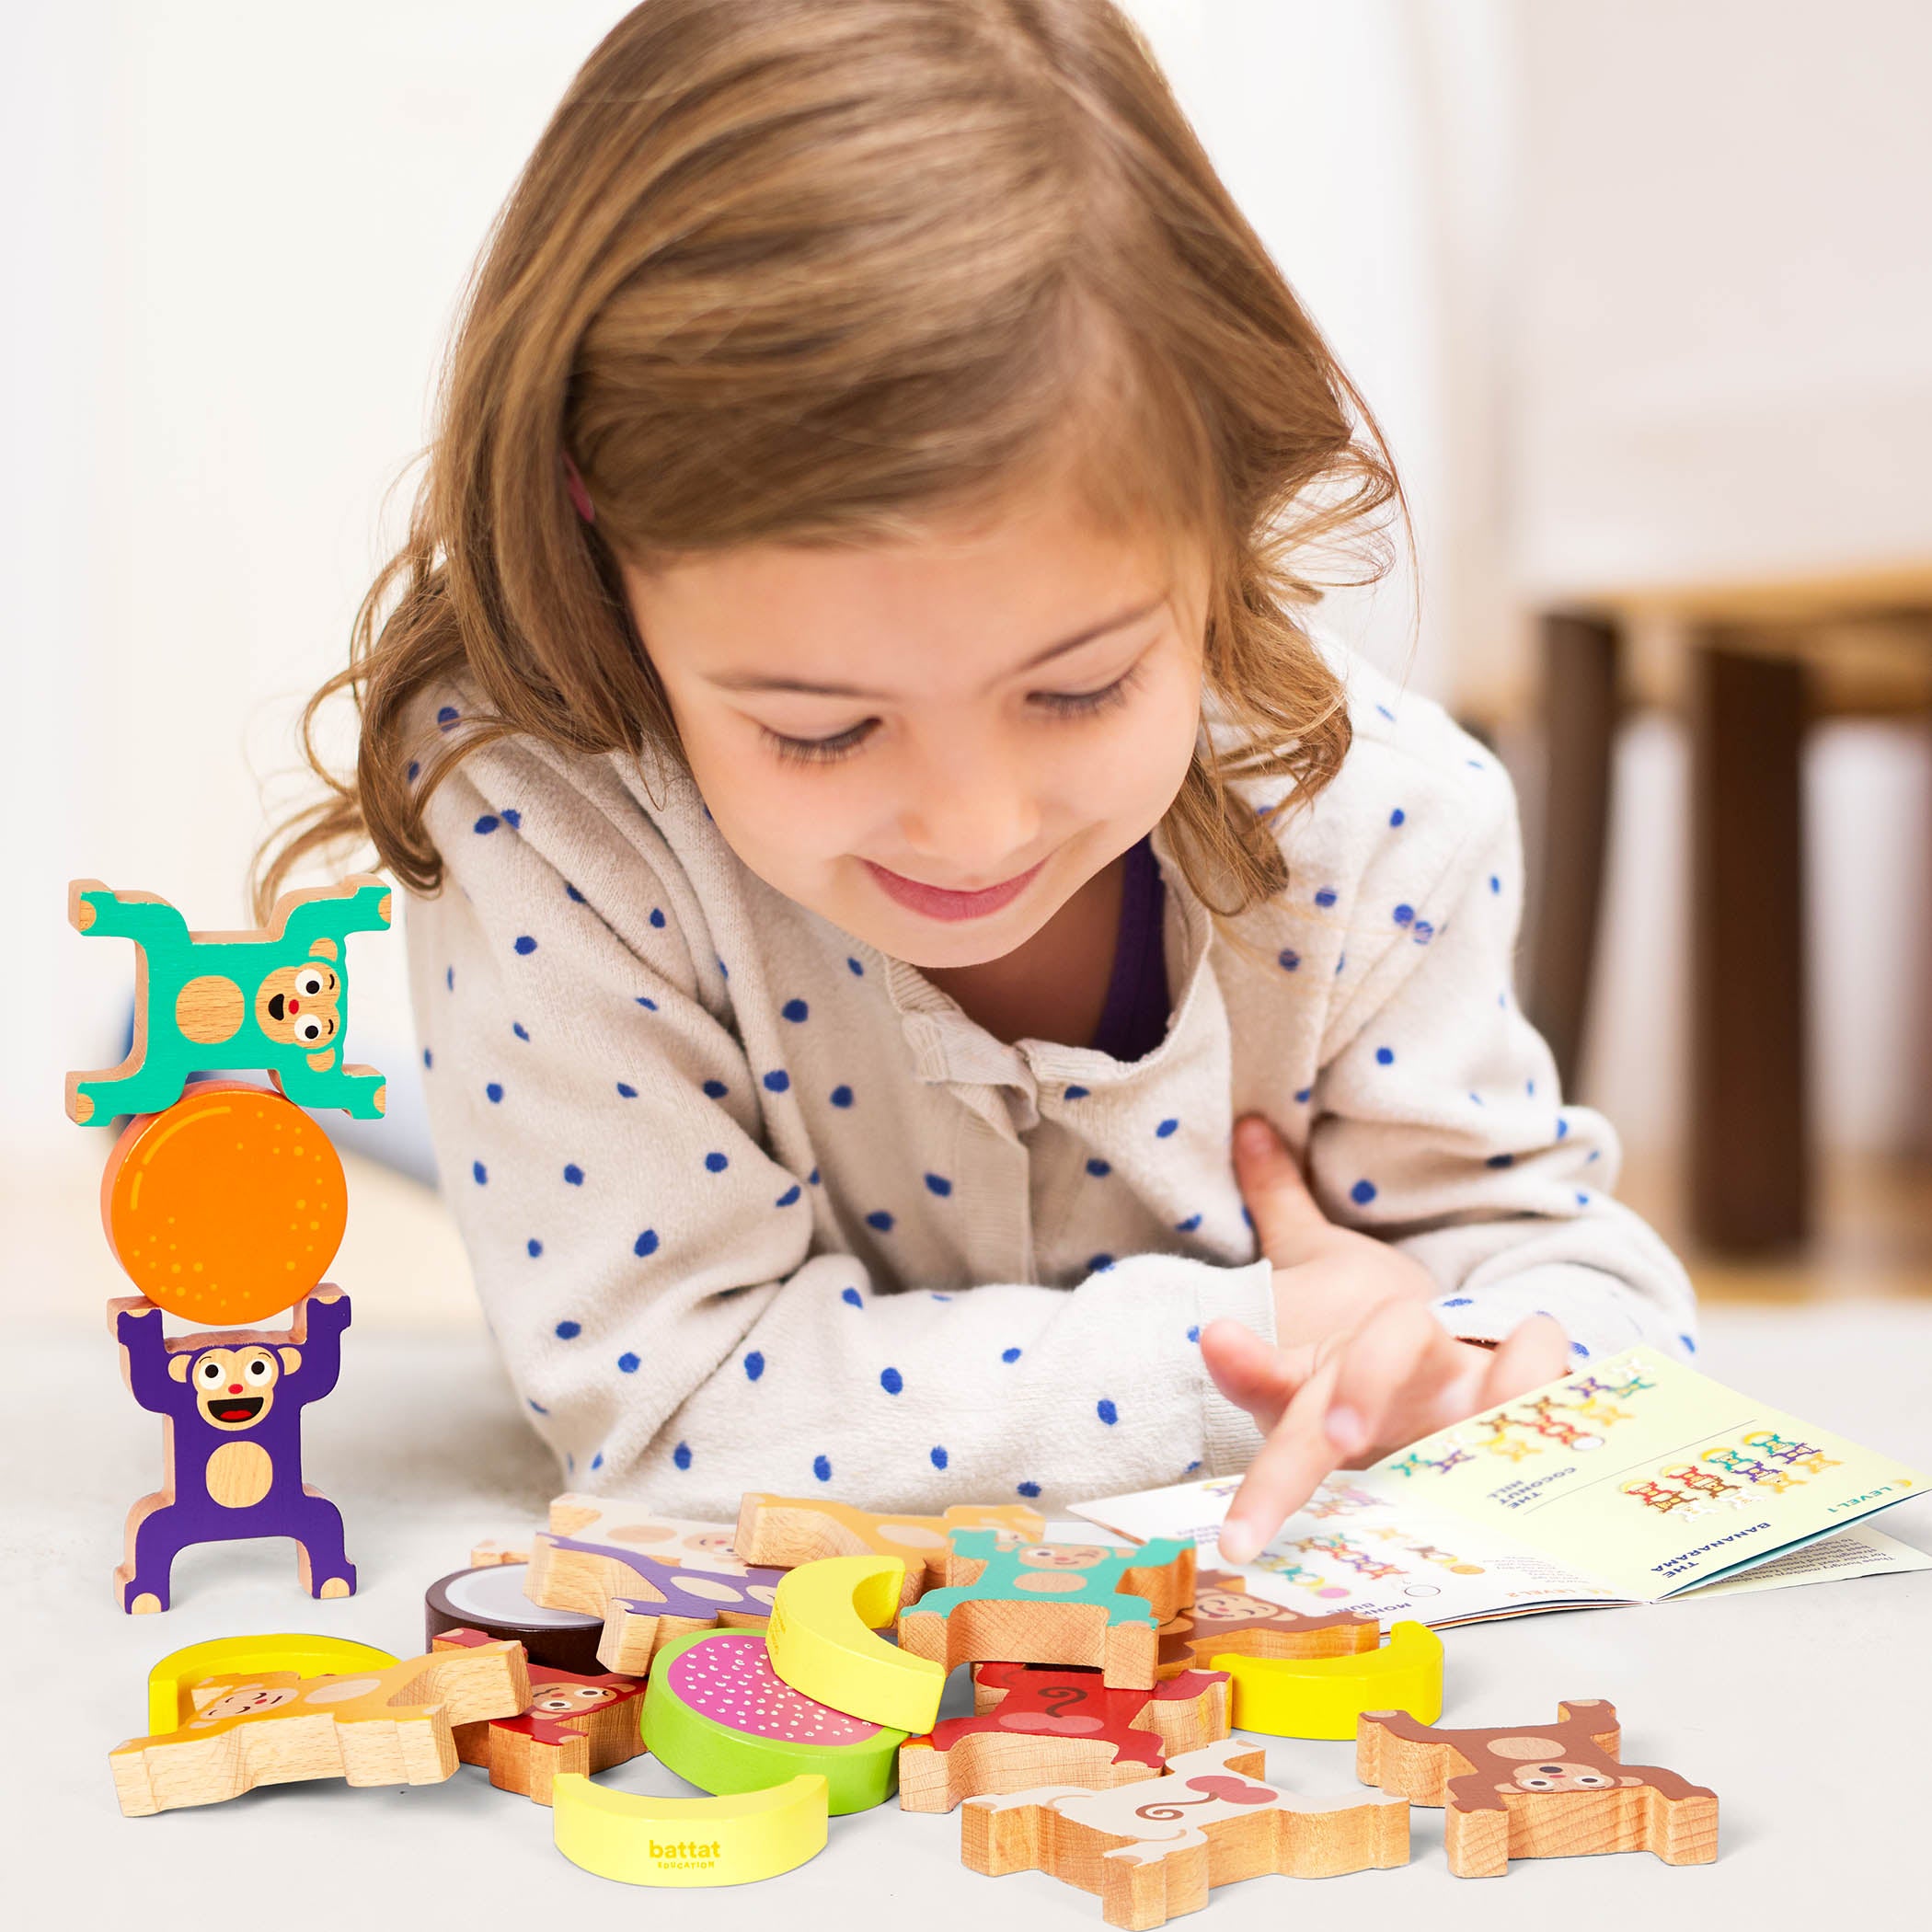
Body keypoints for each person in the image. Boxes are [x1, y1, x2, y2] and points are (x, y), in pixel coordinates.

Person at [261, 0, 1692, 1563]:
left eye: (1080, 690)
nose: (976, 828)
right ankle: (241, 1071)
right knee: (427, 1128)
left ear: (1214, 524)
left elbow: (1583, 1301)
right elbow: (664, 1413)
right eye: (819, 728)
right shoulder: (547, 805)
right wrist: (1248, 1348)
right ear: (599, 534)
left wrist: (1470, 1360)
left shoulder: (1389, 820)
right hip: (593, 1066)